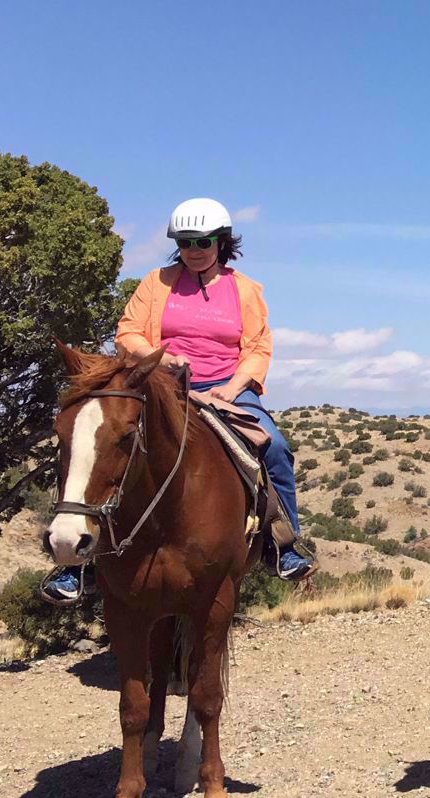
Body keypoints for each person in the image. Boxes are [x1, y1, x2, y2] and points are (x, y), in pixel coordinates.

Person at [40, 198, 312, 605]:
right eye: (185, 241)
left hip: (226, 386)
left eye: (204, 240)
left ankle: (282, 543)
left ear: (221, 242)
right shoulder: (156, 282)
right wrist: (163, 359)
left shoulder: (246, 290)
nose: (195, 249)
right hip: (161, 383)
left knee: (273, 446)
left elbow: (257, 348)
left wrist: (233, 386)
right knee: (100, 445)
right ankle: (75, 564)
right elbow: (128, 333)